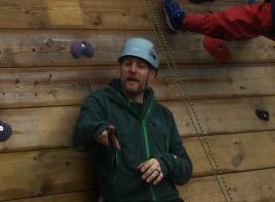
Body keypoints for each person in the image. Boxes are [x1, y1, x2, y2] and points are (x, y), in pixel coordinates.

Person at [73, 37, 192, 202]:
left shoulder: (164, 115)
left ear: (152, 74)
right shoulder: (100, 102)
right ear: (121, 68)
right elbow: (82, 129)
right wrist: (99, 130)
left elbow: (185, 169)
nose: (133, 70)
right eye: (127, 63)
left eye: (141, 66)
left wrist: (166, 163)